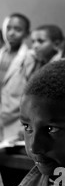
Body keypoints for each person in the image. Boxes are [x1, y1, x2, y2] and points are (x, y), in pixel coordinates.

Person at [0, 13, 33, 142]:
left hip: (15, 122)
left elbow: (31, 95)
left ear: (26, 34)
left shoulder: (29, 58)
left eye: (18, 29)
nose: (11, 33)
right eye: (9, 28)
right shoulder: (1, 54)